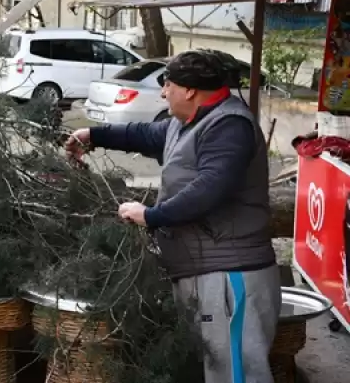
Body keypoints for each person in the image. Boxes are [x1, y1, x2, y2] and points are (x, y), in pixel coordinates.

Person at [65, 49, 281, 383]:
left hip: (229, 276)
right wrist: (93, 135)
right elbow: (143, 134)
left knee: (235, 374)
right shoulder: (187, 123)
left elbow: (209, 188)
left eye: (168, 85)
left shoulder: (229, 126)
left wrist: (151, 215)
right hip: (202, 271)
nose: (164, 92)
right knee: (215, 370)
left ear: (190, 90)